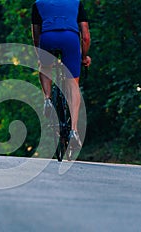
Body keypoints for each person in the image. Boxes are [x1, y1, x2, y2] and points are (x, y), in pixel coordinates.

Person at [31, 0, 91, 148]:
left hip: (48, 38)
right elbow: (85, 37)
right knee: (73, 84)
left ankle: (47, 99)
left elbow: (36, 37)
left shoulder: (38, 4)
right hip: (70, 39)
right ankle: (74, 131)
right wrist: (84, 57)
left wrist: (41, 57)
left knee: (45, 66)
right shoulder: (76, 3)